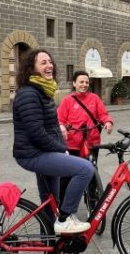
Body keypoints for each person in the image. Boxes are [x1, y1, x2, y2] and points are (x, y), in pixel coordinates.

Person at [13, 49, 95, 236]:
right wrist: (61, 149)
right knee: (85, 169)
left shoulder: (42, 90)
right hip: (34, 153)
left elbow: (49, 125)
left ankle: (50, 246)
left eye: (50, 61)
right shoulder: (29, 94)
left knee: (50, 202)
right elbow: (36, 132)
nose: (49, 65)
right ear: (31, 68)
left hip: (42, 151)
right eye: (43, 62)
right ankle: (66, 218)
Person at [57, 70, 113, 194]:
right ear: (74, 83)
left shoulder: (95, 98)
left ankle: (93, 199)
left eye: (86, 82)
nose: (84, 84)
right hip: (73, 144)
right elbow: (60, 119)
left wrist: (108, 122)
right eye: (81, 82)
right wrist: (62, 127)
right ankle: (63, 201)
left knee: (92, 171)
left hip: (92, 142)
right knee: (68, 174)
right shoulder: (67, 101)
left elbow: (103, 114)